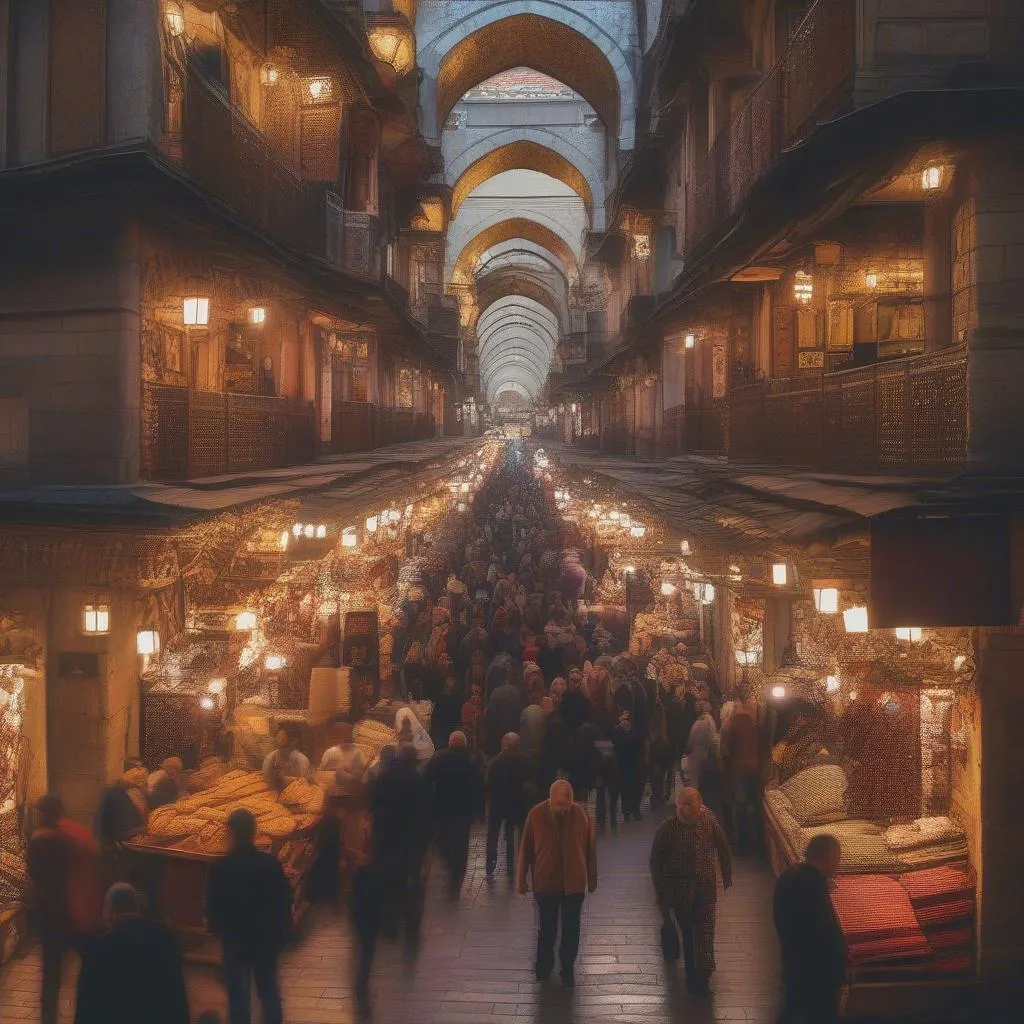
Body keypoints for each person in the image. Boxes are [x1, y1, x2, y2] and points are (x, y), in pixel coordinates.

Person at [205, 809, 293, 1024]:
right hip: (265, 939)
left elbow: (213, 905)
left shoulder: (221, 868)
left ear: (231, 833)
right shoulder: (270, 864)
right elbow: (284, 898)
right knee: (269, 992)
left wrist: (219, 929)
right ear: (254, 833)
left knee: (238, 998)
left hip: (235, 940)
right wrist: (279, 930)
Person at [649, 788, 732, 996]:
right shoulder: (668, 827)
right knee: (687, 931)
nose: (685, 810)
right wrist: (660, 889)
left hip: (705, 886)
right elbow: (655, 859)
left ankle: (703, 974)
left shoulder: (708, 819)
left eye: (689, 805)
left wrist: (727, 873)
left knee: (705, 931)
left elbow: (722, 845)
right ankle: (691, 973)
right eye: (681, 805)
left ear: (699, 805)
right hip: (679, 890)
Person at [516, 779, 597, 987]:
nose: (563, 809)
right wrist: (520, 879)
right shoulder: (536, 814)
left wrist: (592, 877)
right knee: (547, 928)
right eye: (559, 805)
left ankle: (567, 968)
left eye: (566, 805)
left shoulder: (580, 814)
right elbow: (525, 848)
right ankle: (543, 967)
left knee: (572, 928)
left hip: (574, 883)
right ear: (550, 799)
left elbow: (589, 848)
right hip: (546, 882)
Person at [74, 883, 189, 1024]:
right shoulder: (167, 940)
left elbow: (86, 1011)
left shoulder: (99, 947)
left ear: (109, 911)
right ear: (136, 908)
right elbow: (178, 1002)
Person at [27, 796, 92, 1024]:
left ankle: (48, 1018)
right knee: (87, 966)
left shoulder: (38, 840)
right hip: (71, 908)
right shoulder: (68, 839)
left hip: (48, 912)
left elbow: (33, 872)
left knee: (51, 973)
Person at [773, 834, 848, 1024]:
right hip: (816, 973)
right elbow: (823, 931)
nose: (837, 866)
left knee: (793, 1008)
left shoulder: (789, 877)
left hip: (794, 965)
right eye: (835, 860)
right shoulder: (812, 886)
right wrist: (840, 966)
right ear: (825, 858)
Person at [424, 730, 484, 897]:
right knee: (461, 844)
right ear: (464, 744)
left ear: (450, 743)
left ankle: (450, 864)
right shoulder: (472, 760)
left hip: (442, 808)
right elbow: (480, 786)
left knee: (443, 841)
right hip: (464, 811)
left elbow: (426, 780)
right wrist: (480, 810)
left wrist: (429, 804)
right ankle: (457, 876)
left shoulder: (438, 758)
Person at [722, 686, 763, 853]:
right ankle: (750, 842)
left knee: (741, 805)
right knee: (750, 804)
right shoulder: (756, 726)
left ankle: (742, 843)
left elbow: (726, 749)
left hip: (740, 771)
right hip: (752, 770)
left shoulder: (737, 723)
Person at [485, 732, 530, 879]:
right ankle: (511, 863)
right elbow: (527, 782)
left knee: (493, 833)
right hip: (515, 803)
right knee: (511, 832)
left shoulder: (495, 762)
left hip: (497, 804)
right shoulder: (523, 761)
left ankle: (490, 863)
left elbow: (488, 783)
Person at [611, 709, 644, 821]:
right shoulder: (617, 732)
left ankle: (634, 810)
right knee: (625, 789)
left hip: (634, 764)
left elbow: (639, 746)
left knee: (635, 788)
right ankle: (627, 812)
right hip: (623, 765)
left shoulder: (635, 731)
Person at [320, 721, 367, 798]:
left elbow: (357, 778)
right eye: (341, 733)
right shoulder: (330, 752)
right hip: (330, 794)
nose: (345, 737)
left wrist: (342, 774)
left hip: (349, 795)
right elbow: (321, 773)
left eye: (346, 733)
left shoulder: (357, 753)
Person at [484, 667, 523, 757]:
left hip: (497, 739)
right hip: (514, 735)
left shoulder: (495, 693)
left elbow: (491, 718)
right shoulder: (515, 691)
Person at [261, 725, 310, 790]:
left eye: (285, 735)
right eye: (280, 736)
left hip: (296, 792)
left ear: (294, 740)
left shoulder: (301, 759)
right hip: (273, 792)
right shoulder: (271, 757)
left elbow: (303, 783)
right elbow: (267, 779)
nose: (282, 738)